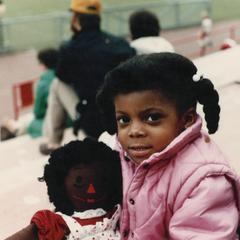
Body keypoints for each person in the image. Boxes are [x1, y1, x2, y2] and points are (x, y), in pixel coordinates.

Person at [96, 52, 240, 239]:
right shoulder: (118, 155)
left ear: (186, 119)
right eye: (124, 119)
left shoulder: (204, 179)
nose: (135, 131)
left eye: (152, 118)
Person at [39, 0, 135, 155]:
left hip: (91, 122)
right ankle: (53, 141)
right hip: (121, 114)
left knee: (57, 84)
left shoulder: (69, 49)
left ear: (76, 19)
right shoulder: (119, 44)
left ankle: (53, 142)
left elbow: (62, 76)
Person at [4, 138, 122, 240]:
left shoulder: (117, 213)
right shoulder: (58, 223)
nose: (91, 190)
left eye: (100, 181)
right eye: (79, 182)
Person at [0, 48, 59, 141]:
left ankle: (14, 130)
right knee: (24, 119)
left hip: (54, 121)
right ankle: (13, 126)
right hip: (63, 117)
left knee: (27, 122)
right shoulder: (67, 74)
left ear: (43, 64)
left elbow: (38, 112)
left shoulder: (44, 83)